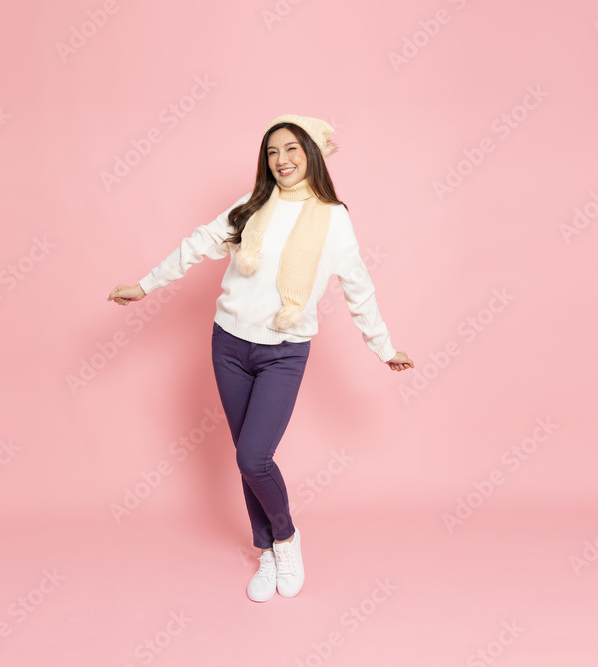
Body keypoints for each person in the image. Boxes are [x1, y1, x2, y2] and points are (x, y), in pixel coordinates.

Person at [107, 114, 414, 603]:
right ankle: (265, 549)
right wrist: (145, 285)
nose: (281, 160)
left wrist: (383, 347)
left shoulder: (333, 218)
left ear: (312, 153)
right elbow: (201, 242)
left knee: (253, 457)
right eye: (272, 152)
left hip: (284, 353)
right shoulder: (252, 204)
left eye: (291, 149)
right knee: (245, 460)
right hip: (228, 344)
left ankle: (286, 539)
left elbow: (358, 286)